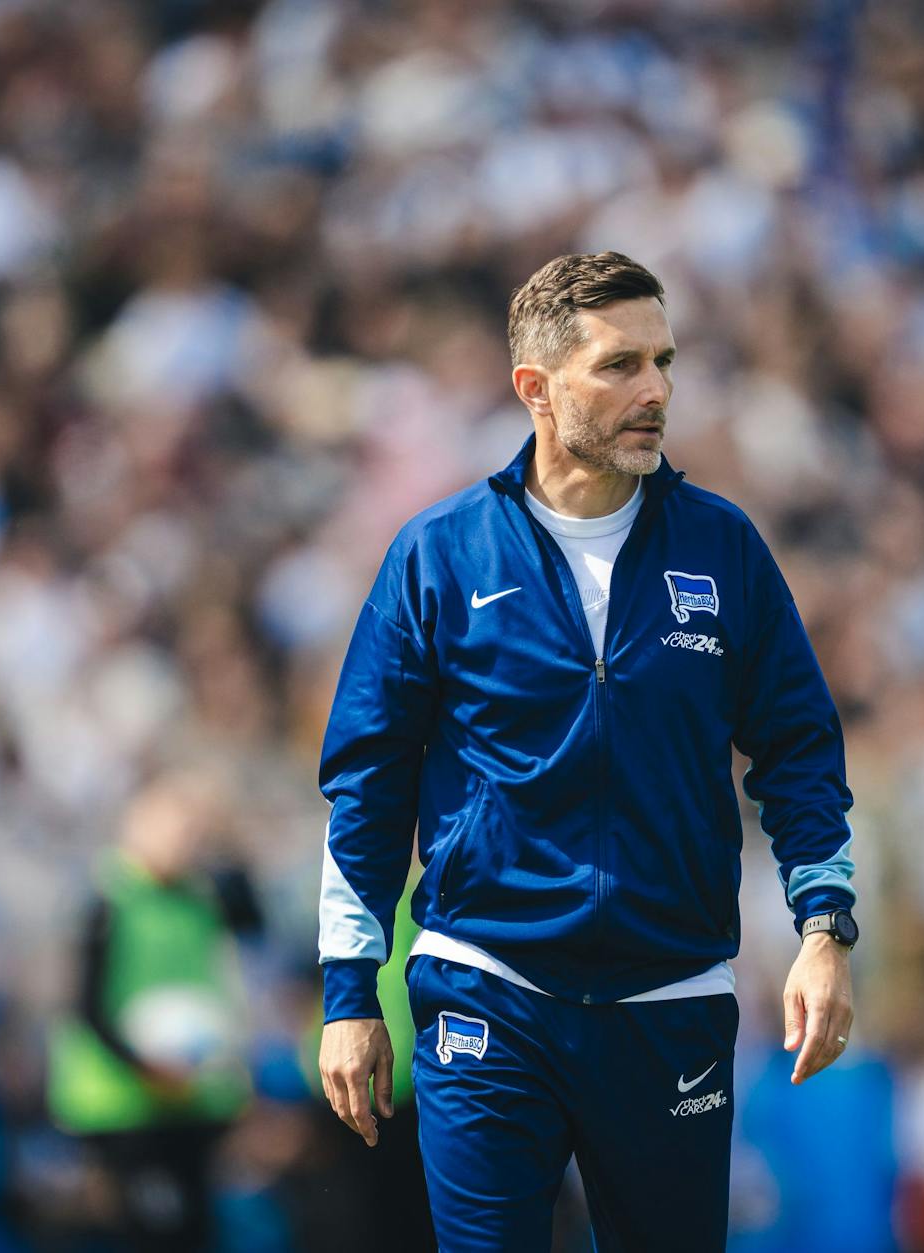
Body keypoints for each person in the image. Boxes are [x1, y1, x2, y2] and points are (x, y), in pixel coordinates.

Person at [315, 251, 859, 1251]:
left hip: (670, 1000)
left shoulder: (723, 547)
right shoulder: (437, 554)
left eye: (661, 361)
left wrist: (823, 927)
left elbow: (798, 749)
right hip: (486, 989)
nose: (653, 390)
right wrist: (350, 994)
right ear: (535, 387)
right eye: (617, 365)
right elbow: (366, 787)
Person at [47, 770, 263, 1252]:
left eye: (193, 830)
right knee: (147, 1233)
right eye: (172, 827)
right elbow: (86, 1005)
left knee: (196, 1234)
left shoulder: (202, 898)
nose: (184, 841)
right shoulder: (105, 900)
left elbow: (249, 941)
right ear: (135, 826)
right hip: (123, 1105)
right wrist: (146, 1065)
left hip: (193, 1099)